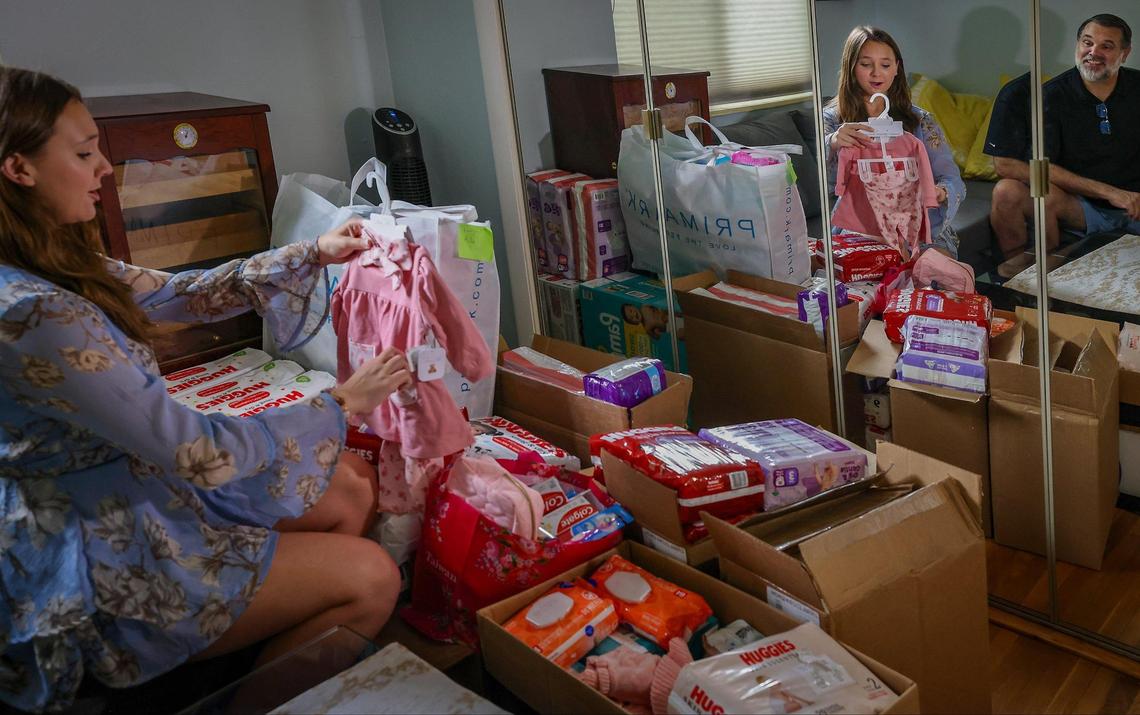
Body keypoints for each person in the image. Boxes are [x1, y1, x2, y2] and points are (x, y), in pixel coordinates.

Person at [0, 67, 415, 712]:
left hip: (131, 482)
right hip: (97, 539)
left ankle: (255, 644)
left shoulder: (50, 257)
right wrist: (339, 404)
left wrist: (309, 253)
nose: (105, 169)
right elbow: (200, 454)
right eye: (83, 154)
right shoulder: (30, 314)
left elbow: (178, 294)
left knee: (351, 485)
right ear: (18, 169)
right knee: (372, 578)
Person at [985, 13, 1140, 278]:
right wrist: (1109, 192)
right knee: (1008, 190)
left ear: (1125, 53)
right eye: (1087, 43)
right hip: (1082, 208)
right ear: (1077, 45)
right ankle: (1023, 278)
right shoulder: (1051, 96)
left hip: (1137, 204)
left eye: (1107, 46)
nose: (1094, 52)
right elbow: (1039, 167)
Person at [823, 26, 966, 259]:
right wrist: (833, 142)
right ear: (850, 67)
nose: (876, 74)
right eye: (866, 64)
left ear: (897, 68)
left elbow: (951, 178)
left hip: (917, 224)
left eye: (885, 65)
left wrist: (937, 193)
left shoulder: (919, 121)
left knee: (934, 274)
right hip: (860, 226)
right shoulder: (833, 120)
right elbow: (826, 184)